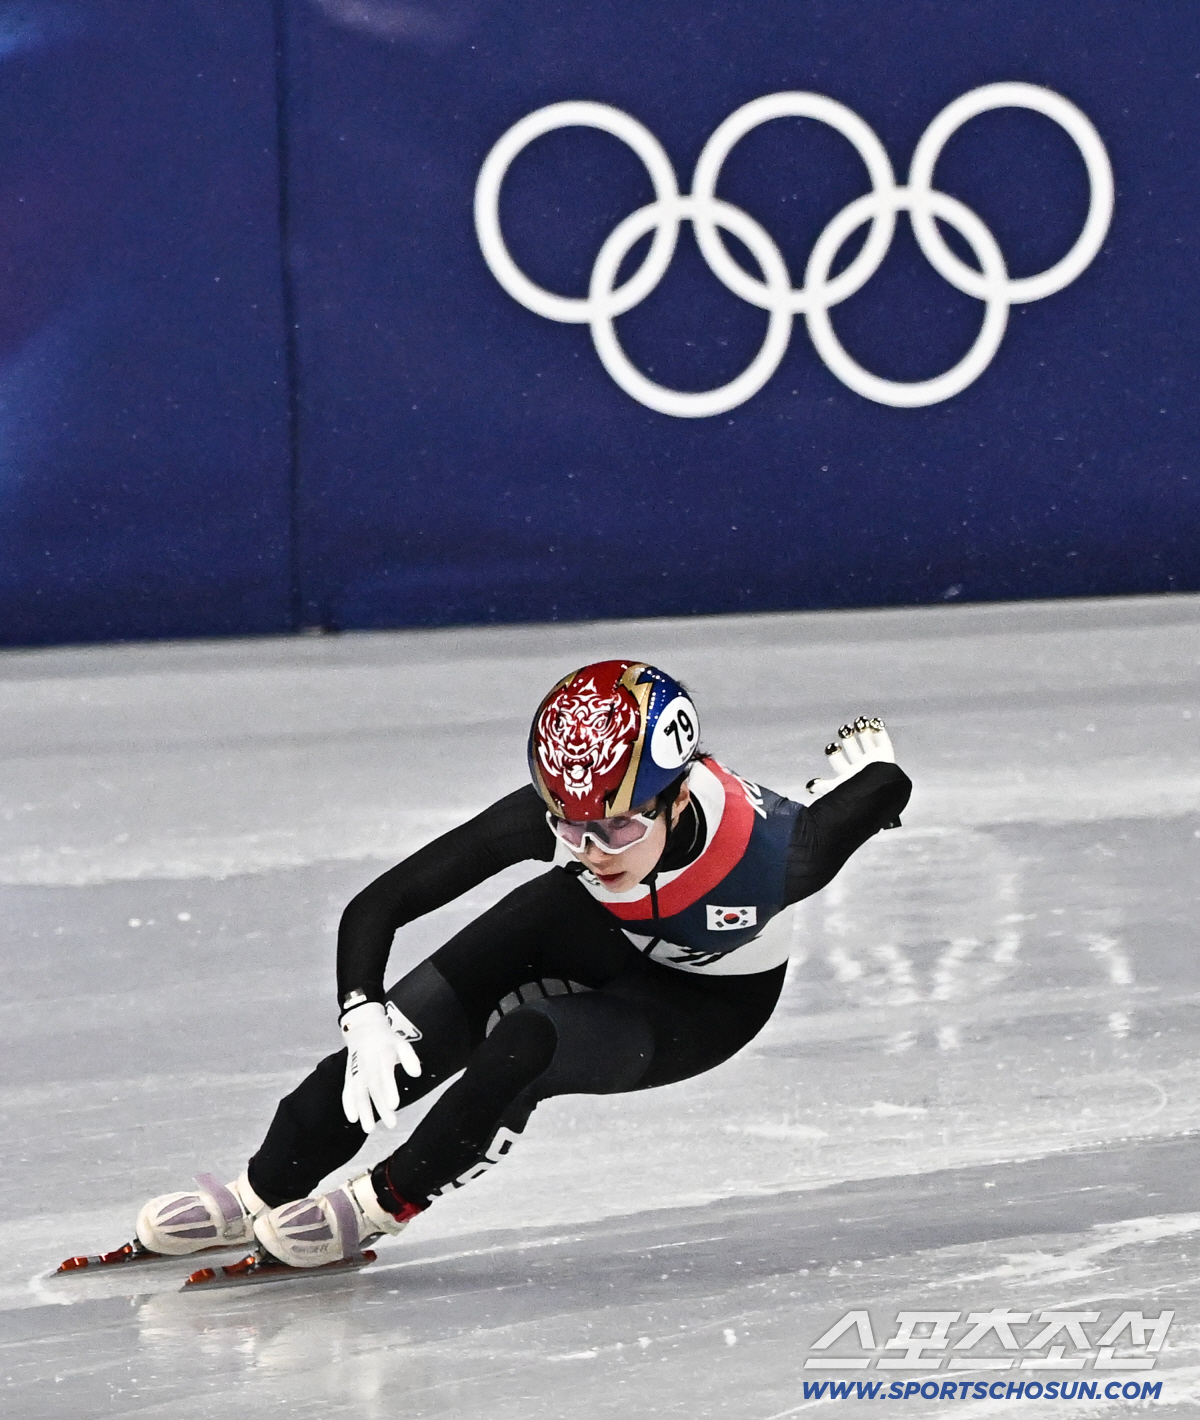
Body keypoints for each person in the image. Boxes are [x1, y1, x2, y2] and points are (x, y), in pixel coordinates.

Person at [135, 660, 911, 1267]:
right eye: (569, 827)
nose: (588, 849)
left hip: (706, 998)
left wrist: (857, 784)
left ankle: (381, 1205)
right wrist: (363, 1012)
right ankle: (257, 1191)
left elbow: (885, 783)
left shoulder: (780, 855)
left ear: (677, 802)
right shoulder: (568, 823)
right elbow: (381, 902)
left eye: (613, 830)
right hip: (586, 929)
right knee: (391, 1045)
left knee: (527, 1043)